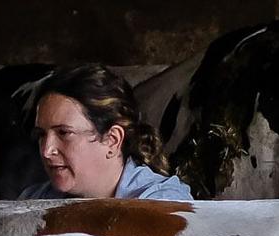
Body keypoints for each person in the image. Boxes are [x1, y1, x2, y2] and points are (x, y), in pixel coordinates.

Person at [19, 64, 194, 202]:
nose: (46, 151)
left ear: (112, 140)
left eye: (64, 133)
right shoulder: (33, 200)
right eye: (41, 134)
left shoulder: (163, 206)